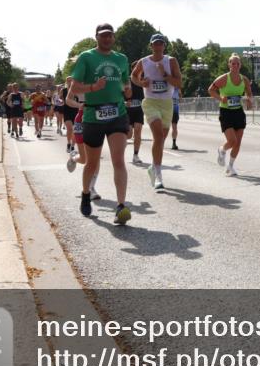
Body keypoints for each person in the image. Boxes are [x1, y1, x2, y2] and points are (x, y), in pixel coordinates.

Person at [70, 23, 132, 224]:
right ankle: (86, 193)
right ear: (96, 37)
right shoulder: (86, 57)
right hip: (93, 116)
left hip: (117, 113)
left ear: (113, 38)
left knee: (118, 160)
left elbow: (125, 82)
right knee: (92, 163)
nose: (107, 39)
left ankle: (121, 206)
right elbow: (75, 85)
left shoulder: (121, 59)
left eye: (110, 36)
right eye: (103, 36)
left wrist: (128, 89)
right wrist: (93, 87)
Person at [131, 34, 181, 189]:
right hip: (151, 102)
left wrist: (165, 75)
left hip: (167, 103)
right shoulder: (144, 62)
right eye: (155, 44)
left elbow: (179, 82)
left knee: (160, 140)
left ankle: (153, 167)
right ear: (151, 46)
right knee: (158, 136)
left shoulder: (170, 61)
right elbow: (133, 76)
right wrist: (141, 82)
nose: (158, 46)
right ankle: (158, 175)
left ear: (164, 46)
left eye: (161, 44)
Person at [209, 53, 254, 177]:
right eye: (232, 63)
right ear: (229, 65)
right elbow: (210, 90)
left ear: (240, 65)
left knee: (238, 142)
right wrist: (220, 98)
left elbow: (249, 93)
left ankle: (231, 166)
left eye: (237, 63)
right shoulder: (224, 78)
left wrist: (250, 101)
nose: (235, 65)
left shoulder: (244, 79)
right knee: (232, 141)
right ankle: (222, 149)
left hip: (238, 112)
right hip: (226, 112)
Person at [126, 61, 146, 165]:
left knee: (138, 132)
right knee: (129, 135)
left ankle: (135, 155)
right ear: (133, 69)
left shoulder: (142, 81)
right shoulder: (127, 80)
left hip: (138, 109)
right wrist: (125, 102)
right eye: (138, 68)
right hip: (127, 110)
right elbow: (120, 94)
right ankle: (119, 144)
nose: (140, 70)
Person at [169, 85, 181, 150]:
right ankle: (173, 143)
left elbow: (180, 96)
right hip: (167, 109)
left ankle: (174, 143)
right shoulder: (175, 88)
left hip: (173, 110)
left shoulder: (177, 88)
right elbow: (180, 97)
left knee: (174, 127)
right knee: (173, 127)